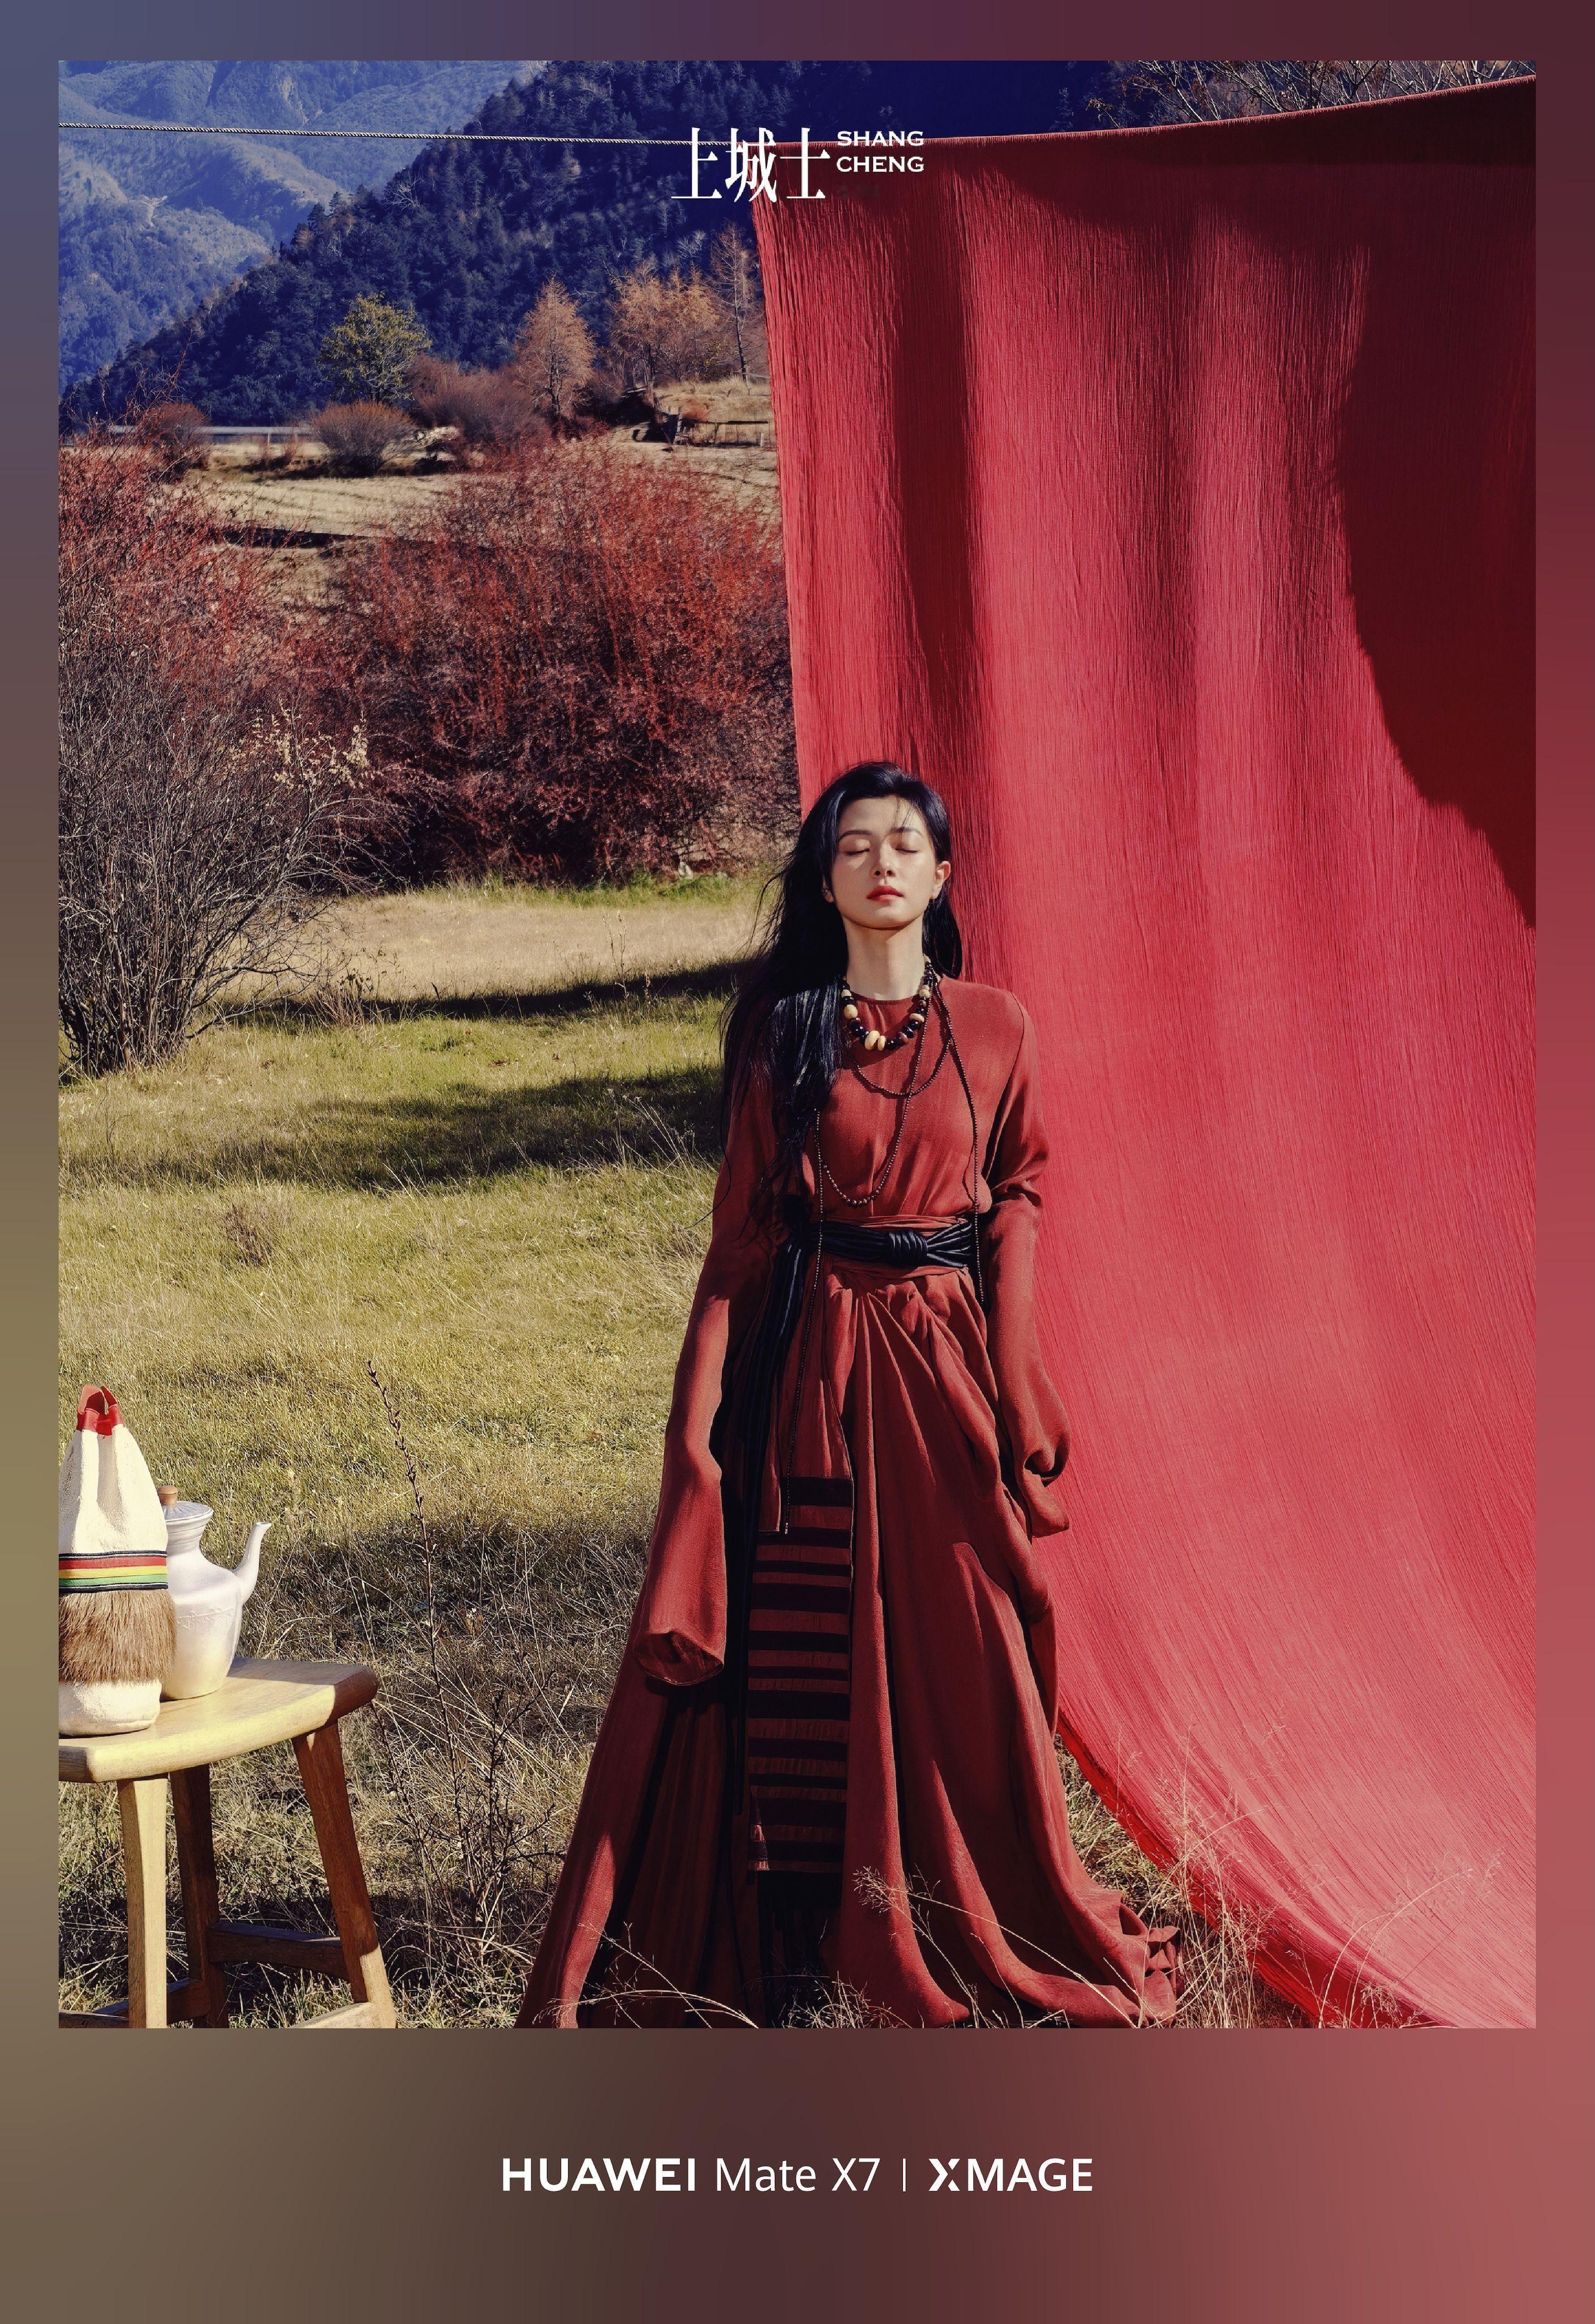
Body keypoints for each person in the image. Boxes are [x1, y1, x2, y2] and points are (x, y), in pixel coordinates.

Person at [516, 763, 1179, 2028]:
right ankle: (807, 1932)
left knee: (978, 1625)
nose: (882, 862)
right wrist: (694, 1439)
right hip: (812, 1366)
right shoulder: (787, 1034)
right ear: (826, 881)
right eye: (855, 845)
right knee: (804, 1642)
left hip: (943, 1365)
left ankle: (967, 1899)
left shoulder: (997, 1025)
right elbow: (739, 1244)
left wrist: (1018, 1362)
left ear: (941, 873)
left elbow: (1019, 1193)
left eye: (905, 843)